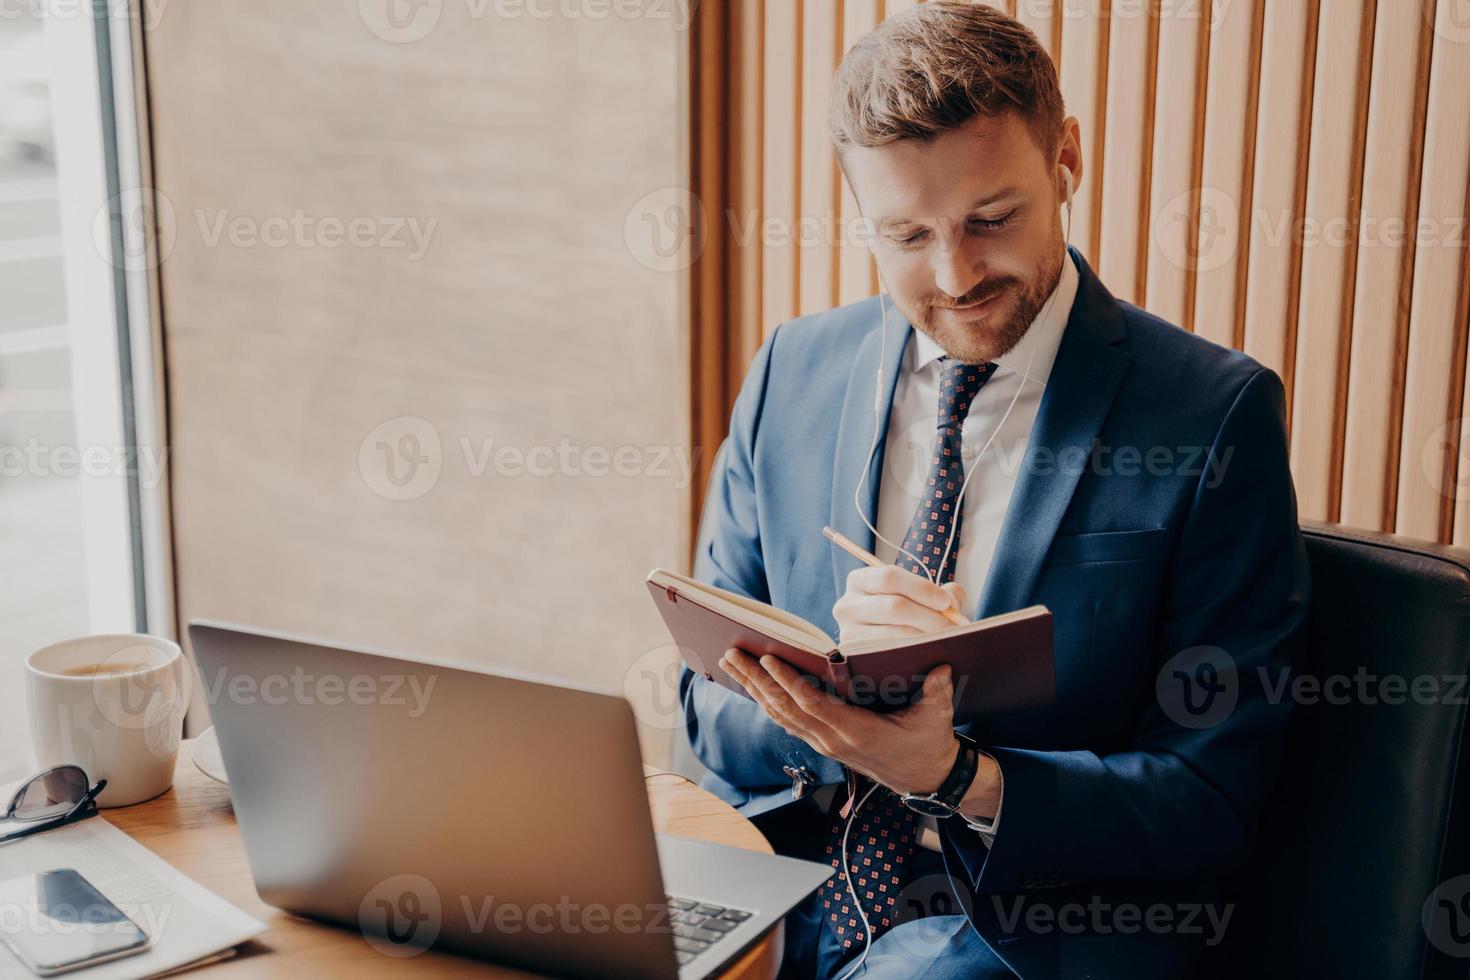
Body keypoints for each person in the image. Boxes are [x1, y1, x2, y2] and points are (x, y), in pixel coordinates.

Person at [678, 3, 1311, 977]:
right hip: (788, 878)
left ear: (1066, 159)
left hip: (1032, 923)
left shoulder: (1209, 416)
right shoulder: (790, 371)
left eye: (992, 219)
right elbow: (699, 702)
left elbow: (1214, 795)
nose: (955, 273)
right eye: (905, 234)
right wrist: (836, 717)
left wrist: (951, 770)